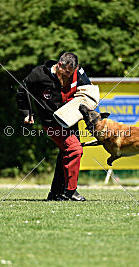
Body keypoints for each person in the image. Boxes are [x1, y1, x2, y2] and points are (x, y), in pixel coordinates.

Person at [16, 52, 91, 201]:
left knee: (66, 154)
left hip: (71, 120)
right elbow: (22, 90)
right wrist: (26, 113)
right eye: (67, 73)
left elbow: (88, 90)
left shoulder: (78, 72)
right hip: (51, 122)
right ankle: (69, 192)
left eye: (72, 73)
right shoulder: (38, 74)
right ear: (60, 65)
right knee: (75, 149)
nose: (70, 76)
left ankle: (55, 193)